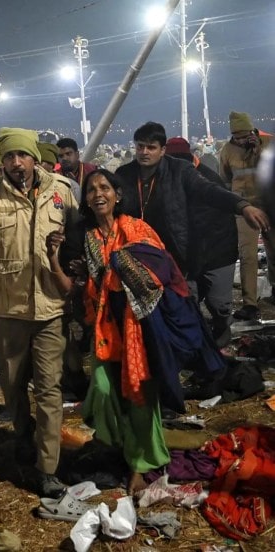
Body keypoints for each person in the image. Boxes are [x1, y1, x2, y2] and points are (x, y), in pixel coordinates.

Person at [45, 169, 225, 494]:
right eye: (91, 190)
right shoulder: (85, 238)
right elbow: (76, 289)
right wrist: (54, 260)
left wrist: (118, 262)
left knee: (140, 399)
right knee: (101, 391)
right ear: (85, 199)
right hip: (106, 330)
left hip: (140, 330)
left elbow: (156, 275)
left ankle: (140, 466)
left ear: (117, 193)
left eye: (104, 187)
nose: (98, 194)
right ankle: (125, 448)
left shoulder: (137, 228)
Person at [0, 128, 79, 498]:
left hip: (50, 309)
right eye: (10, 157)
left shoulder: (60, 190)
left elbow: (78, 230)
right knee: (12, 386)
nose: (16, 162)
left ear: (32, 157)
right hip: (9, 310)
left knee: (49, 388)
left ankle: (48, 467)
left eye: (22, 156)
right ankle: (22, 435)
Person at [116, 121, 269, 281]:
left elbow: (209, 190)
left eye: (151, 147)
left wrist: (243, 207)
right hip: (136, 250)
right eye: (140, 147)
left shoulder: (179, 170)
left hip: (172, 253)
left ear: (162, 150)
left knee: (178, 302)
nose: (144, 152)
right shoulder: (124, 174)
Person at [164, 137, 237, 346]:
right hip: (185, 257)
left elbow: (219, 226)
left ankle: (221, 328)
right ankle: (197, 344)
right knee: (188, 302)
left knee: (219, 305)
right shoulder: (164, 182)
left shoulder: (208, 181)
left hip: (217, 253)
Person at [220, 111, 274, 320]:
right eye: (238, 137)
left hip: (270, 204)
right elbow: (224, 180)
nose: (243, 140)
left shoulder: (269, 144)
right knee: (248, 256)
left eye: (246, 135)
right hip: (245, 209)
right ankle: (250, 303)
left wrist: (258, 151)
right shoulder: (227, 151)